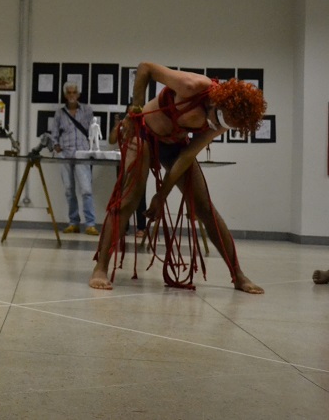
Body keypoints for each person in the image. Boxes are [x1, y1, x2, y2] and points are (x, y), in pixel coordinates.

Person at [89, 62, 266, 293]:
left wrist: (161, 196)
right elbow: (145, 68)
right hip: (144, 134)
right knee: (128, 200)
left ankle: (238, 274)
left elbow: (187, 156)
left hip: (174, 146)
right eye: (218, 119)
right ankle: (100, 267)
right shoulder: (192, 86)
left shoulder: (224, 119)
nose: (215, 126)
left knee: (204, 208)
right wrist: (135, 109)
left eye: (224, 126)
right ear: (217, 102)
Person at [50, 82, 99, 236]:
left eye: (74, 92)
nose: (71, 95)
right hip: (65, 154)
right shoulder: (60, 113)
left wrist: (93, 149)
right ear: (65, 95)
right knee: (69, 190)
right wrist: (56, 145)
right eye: (69, 92)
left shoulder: (87, 110)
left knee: (86, 190)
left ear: (78, 94)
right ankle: (74, 223)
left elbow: (93, 131)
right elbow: (54, 134)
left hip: (82, 154)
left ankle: (90, 224)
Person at [108, 107, 147, 240]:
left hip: (139, 165)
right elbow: (112, 140)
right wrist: (117, 125)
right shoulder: (124, 127)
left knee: (140, 196)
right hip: (123, 163)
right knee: (121, 194)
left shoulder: (144, 129)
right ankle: (123, 227)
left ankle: (141, 227)